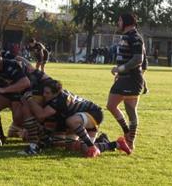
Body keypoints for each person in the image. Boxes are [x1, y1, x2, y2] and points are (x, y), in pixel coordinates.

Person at [25, 79, 131, 157]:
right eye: (44, 92)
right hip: (82, 120)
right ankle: (116, 144)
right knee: (73, 147)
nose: (44, 95)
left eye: (47, 93)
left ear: (56, 93)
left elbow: (41, 115)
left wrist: (29, 99)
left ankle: (91, 145)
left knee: (71, 121)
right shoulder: (57, 97)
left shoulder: (59, 101)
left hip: (94, 114)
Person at [106, 13, 145, 152]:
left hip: (131, 80)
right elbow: (143, 62)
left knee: (119, 108)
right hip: (125, 79)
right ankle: (128, 137)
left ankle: (130, 139)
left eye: (120, 20)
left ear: (127, 22)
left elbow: (138, 60)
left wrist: (119, 69)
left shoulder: (135, 38)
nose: (118, 22)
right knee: (114, 106)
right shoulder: (127, 37)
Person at [0, 49, 31, 146]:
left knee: (17, 119)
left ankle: (33, 132)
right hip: (10, 91)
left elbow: (25, 83)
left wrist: (3, 90)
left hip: (24, 92)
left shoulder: (12, 65)